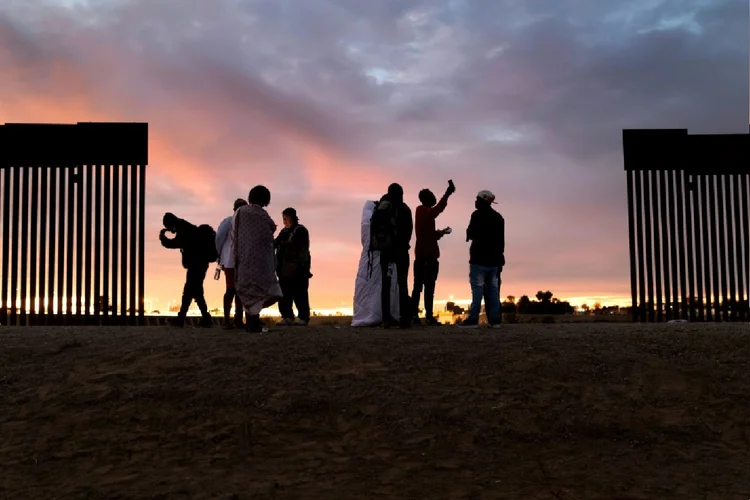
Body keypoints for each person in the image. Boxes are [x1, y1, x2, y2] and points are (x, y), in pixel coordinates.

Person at [233, 185, 283, 333]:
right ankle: (253, 322)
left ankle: (252, 322)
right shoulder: (263, 215)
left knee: (248, 290)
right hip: (262, 262)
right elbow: (271, 230)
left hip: (244, 258)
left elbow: (234, 233)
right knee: (267, 291)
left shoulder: (241, 212)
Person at [458, 190, 505, 329]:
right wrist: (500, 259)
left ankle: (473, 319)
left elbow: (470, 234)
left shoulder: (476, 215)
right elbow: (501, 242)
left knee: (477, 290)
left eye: (477, 199)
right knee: (493, 290)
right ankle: (495, 320)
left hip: (478, 259)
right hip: (494, 260)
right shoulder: (499, 218)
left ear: (483, 201)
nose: (475, 201)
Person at [160, 212, 216, 328]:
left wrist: (163, 239)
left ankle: (191, 319)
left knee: (191, 292)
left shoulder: (182, 228)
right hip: (199, 263)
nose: (170, 230)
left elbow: (176, 243)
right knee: (193, 291)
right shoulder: (185, 226)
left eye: (169, 227)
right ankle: (200, 318)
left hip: (196, 264)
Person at [411, 179, 455, 325]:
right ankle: (419, 316)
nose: (434, 197)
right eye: (431, 195)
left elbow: (428, 234)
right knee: (422, 287)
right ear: (426, 199)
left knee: (424, 287)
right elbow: (437, 210)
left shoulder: (423, 213)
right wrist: (447, 194)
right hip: (426, 257)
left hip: (425, 256)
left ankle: (423, 316)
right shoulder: (422, 210)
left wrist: (441, 232)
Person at [351, 200, 402, 327]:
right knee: (385, 287)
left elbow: (365, 240)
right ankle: (386, 315)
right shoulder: (387, 217)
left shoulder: (369, 220)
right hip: (384, 255)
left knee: (368, 290)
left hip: (368, 259)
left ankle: (367, 315)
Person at [370, 183, 413, 328]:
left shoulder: (382, 208)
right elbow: (409, 231)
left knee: (386, 285)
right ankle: (404, 319)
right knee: (403, 284)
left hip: (386, 251)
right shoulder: (404, 209)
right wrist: (403, 244)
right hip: (400, 251)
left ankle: (386, 319)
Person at [274, 207, 312, 326]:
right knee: (284, 294)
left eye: (286, 218)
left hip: (298, 268)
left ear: (292, 217)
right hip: (283, 269)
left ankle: (303, 317)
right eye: (283, 219)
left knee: (300, 293)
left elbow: (295, 245)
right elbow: (275, 243)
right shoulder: (284, 231)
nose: (284, 221)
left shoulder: (300, 230)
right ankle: (287, 317)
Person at [215, 198, 248, 330]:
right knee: (234, 290)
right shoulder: (232, 222)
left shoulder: (228, 221)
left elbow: (219, 239)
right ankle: (234, 320)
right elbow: (219, 239)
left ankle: (231, 320)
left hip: (231, 261)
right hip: (234, 261)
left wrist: (219, 256)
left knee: (233, 290)